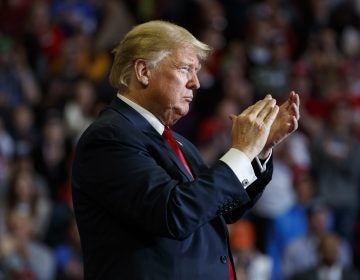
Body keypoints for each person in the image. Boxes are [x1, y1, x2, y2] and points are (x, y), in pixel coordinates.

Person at [71, 20, 300, 279]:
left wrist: (259, 151)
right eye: (185, 69)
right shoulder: (109, 138)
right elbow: (175, 213)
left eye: (196, 71)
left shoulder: (178, 143)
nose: (196, 83)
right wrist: (242, 152)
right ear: (143, 71)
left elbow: (223, 208)